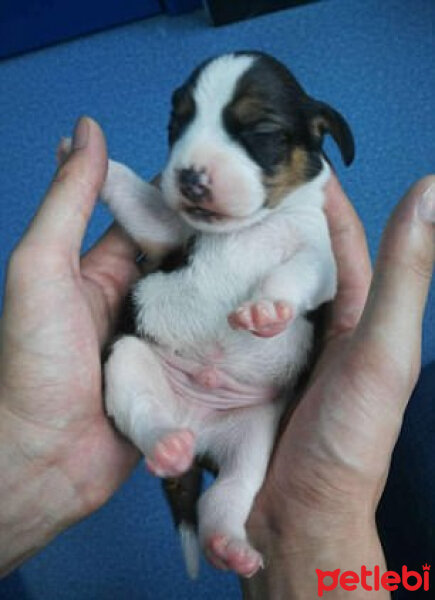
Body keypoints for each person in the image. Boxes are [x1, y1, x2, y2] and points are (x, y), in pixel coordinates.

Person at [0, 117, 433, 597]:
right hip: (162, 368)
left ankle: (223, 520)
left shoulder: (305, 220)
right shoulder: (201, 211)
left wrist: (280, 295)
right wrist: (111, 179)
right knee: (124, 361)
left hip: (246, 405)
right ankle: (153, 427)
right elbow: (155, 225)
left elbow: (317, 272)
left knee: (250, 460)